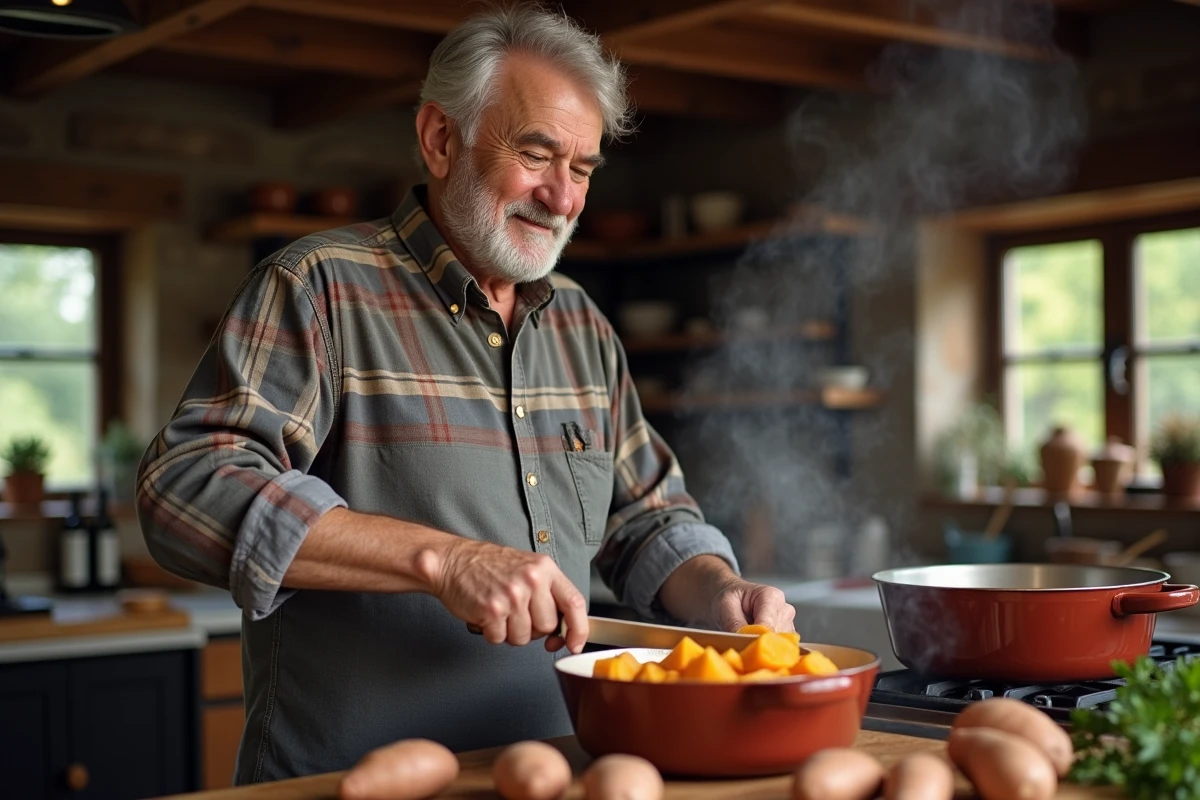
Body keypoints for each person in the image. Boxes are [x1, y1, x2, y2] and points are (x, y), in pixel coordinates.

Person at [136, 4, 795, 784]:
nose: (563, 198)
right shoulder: (318, 288)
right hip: (347, 782)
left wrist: (720, 592)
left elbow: (648, 521)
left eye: (582, 170)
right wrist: (443, 562)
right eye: (537, 155)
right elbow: (185, 489)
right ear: (440, 139)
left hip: (551, 775)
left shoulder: (581, 324)